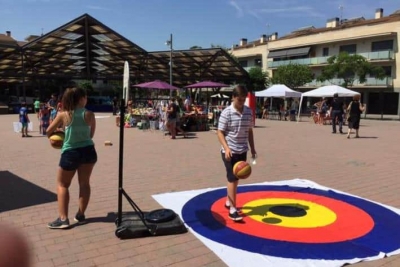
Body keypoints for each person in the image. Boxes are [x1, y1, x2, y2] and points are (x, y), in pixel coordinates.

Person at [46, 87, 97, 229]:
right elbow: (90, 135)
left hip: (70, 152)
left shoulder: (64, 115)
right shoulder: (89, 114)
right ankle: (80, 215)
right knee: (84, 183)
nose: (87, 99)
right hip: (88, 151)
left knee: (62, 185)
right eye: (85, 97)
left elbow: (48, 130)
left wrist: (59, 135)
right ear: (81, 99)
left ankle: (63, 219)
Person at [217, 85, 257, 221]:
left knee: (237, 177)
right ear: (233, 97)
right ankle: (233, 209)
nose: (241, 102)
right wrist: (226, 148)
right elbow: (220, 132)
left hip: (242, 150)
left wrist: (253, 148)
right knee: (232, 178)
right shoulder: (226, 113)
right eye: (239, 100)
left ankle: (229, 201)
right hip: (229, 151)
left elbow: (250, 131)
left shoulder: (248, 112)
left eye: (243, 100)